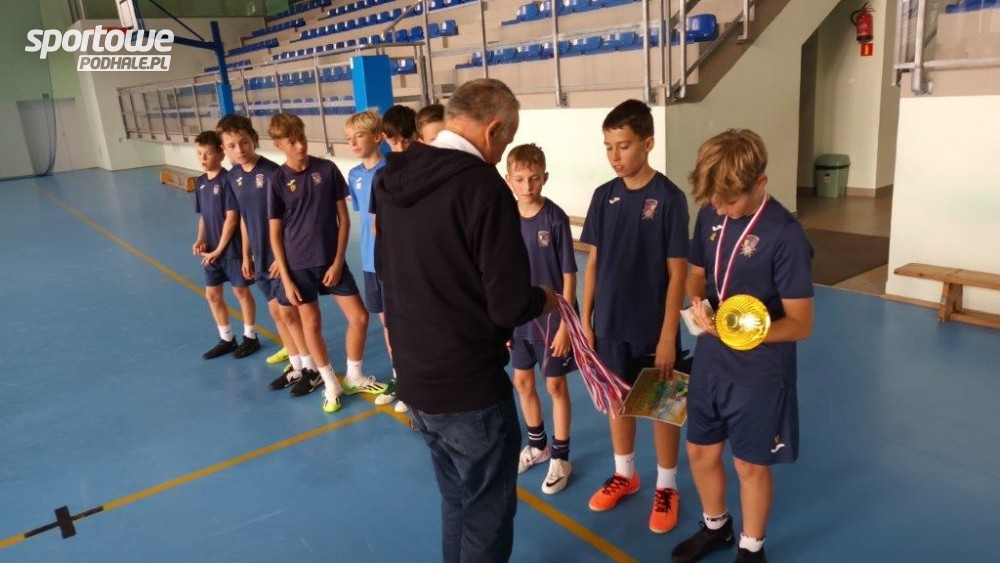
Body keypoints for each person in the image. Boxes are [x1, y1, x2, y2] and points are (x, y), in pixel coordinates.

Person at [373, 78, 557, 563]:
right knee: (487, 514)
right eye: (506, 140)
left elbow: (389, 270)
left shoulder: (394, 176)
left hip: (415, 378)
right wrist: (543, 299)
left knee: (456, 499)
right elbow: (508, 305)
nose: (502, 153)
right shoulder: (482, 187)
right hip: (468, 387)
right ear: (492, 129)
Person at [672, 129, 814, 563]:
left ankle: (752, 548)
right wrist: (698, 302)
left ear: (761, 183)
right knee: (700, 451)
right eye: (713, 200)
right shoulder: (710, 213)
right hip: (711, 359)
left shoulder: (785, 235)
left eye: (730, 201)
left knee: (749, 464)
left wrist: (742, 332)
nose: (719, 209)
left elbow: (800, 324)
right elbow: (698, 274)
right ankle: (716, 527)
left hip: (759, 371)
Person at [579, 99, 690, 535]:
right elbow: (593, 262)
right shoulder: (602, 196)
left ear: (647, 143)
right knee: (617, 402)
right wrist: (586, 319)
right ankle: (625, 473)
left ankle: (666, 485)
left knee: (662, 407)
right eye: (608, 147)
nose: (615, 156)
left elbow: (677, 272)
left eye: (623, 146)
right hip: (610, 323)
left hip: (652, 326)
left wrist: (667, 334)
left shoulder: (669, 199)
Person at [267, 112, 388, 414]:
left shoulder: (327, 169)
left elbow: (343, 220)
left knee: (360, 317)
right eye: (292, 142)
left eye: (302, 138)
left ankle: (354, 375)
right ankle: (330, 382)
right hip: (298, 265)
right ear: (279, 145)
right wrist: (286, 278)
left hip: (331, 262)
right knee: (312, 323)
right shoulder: (277, 181)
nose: (300, 146)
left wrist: (337, 262)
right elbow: (275, 233)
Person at [216, 115, 312, 387]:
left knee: (290, 313)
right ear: (224, 149)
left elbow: (291, 220)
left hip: (280, 256)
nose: (239, 149)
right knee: (277, 313)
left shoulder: (273, 174)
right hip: (259, 257)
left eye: (244, 142)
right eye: (232, 145)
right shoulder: (233, 176)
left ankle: (311, 367)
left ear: (254, 140)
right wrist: (247, 254)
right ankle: (296, 365)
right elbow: (245, 219)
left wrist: (284, 258)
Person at [505, 143, 578, 495]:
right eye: (520, 179)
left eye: (534, 178)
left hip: (552, 320)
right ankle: (538, 446)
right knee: (522, 382)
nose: (528, 186)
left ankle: (561, 456)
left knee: (555, 386)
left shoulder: (555, 218)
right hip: (518, 318)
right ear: (509, 180)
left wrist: (566, 324)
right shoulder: (504, 218)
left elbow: (569, 275)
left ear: (545, 177)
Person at [343, 109, 407, 413]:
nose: (353, 143)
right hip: (370, 264)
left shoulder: (392, 171)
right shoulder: (354, 175)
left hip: (393, 263)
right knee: (386, 323)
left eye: (359, 136)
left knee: (402, 322)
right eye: (349, 138)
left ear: (378, 137)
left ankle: (412, 382)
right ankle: (400, 378)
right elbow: (365, 220)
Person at [190, 131, 259, 360]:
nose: (203, 158)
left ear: (220, 154)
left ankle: (250, 337)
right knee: (212, 295)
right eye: (199, 154)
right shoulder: (200, 182)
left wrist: (220, 249)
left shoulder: (228, 180)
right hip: (211, 251)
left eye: (208, 154)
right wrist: (200, 239)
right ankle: (227, 339)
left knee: (240, 291)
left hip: (231, 250)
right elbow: (204, 216)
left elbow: (232, 218)